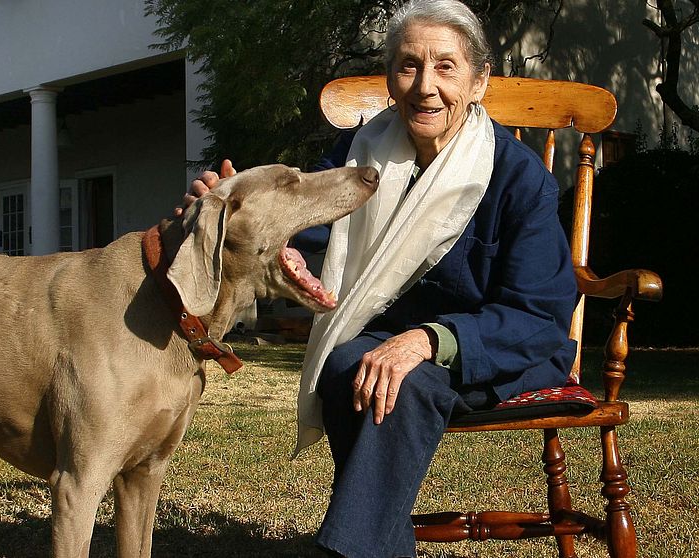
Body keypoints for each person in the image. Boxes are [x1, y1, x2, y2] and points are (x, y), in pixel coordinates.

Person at [182, 1, 577, 556]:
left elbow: (538, 315)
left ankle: (341, 549)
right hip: (378, 339)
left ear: (479, 80)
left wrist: (427, 340)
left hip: (495, 346)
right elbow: (314, 238)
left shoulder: (516, 176)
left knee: (402, 382)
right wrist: (243, 221)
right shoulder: (360, 153)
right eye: (409, 65)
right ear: (391, 77)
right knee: (348, 364)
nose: (425, 87)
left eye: (446, 67)